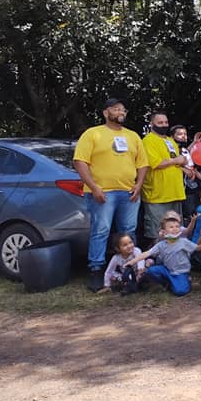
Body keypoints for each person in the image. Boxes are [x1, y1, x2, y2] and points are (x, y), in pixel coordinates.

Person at [73, 98, 149, 292]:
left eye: (123, 109)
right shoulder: (92, 133)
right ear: (106, 113)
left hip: (129, 192)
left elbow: (142, 164)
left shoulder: (133, 136)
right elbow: (80, 162)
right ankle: (96, 270)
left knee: (129, 231)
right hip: (102, 192)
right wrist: (94, 187)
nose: (121, 112)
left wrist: (139, 185)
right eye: (116, 109)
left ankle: (132, 269)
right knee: (101, 230)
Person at [141, 111, 188, 247]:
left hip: (175, 192)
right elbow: (156, 163)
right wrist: (176, 160)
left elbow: (176, 162)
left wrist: (184, 165)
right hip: (157, 195)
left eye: (166, 122)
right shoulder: (148, 140)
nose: (164, 125)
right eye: (160, 122)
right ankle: (154, 257)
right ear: (152, 124)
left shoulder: (170, 140)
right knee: (157, 234)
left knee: (175, 231)